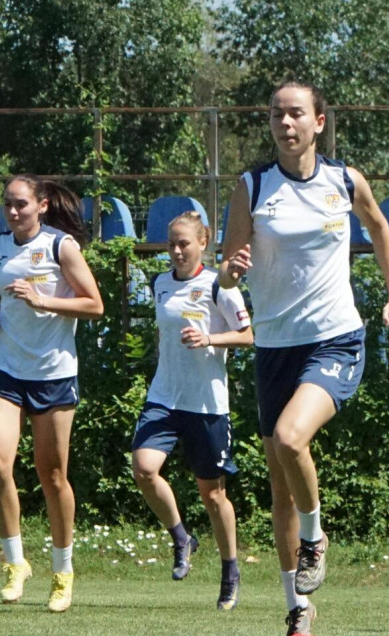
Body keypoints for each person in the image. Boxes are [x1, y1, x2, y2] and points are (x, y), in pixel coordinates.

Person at [219, 81, 389, 636]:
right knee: (280, 485)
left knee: (289, 437)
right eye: (277, 114)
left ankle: (315, 538)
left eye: (296, 114)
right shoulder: (252, 186)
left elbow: (378, 227)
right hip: (274, 348)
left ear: (319, 122)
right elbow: (229, 269)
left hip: (334, 338)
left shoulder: (344, 181)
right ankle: (299, 612)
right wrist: (231, 270)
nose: (285, 123)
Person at [0, 176, 103, 613]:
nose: (13, 212)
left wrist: (45, 301)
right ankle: (15, 563)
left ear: (42, 205)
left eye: (22, 205)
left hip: (52, 374)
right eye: (8, 205)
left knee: (52, 477)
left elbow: (94, 304)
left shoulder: (61, 247)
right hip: (5, 369)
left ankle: (62, 572)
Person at [131, 212, 251, 610]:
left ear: (203, 243)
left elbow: (249, 335)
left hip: (206, 404)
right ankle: (182, 537)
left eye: (184, 243)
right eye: (171, 244)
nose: (177, 251)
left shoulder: (220, 285)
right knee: (145, 468)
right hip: (164, 397)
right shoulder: (160, 283)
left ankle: (230, 570)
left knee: (213, 495)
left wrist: (210, 338)